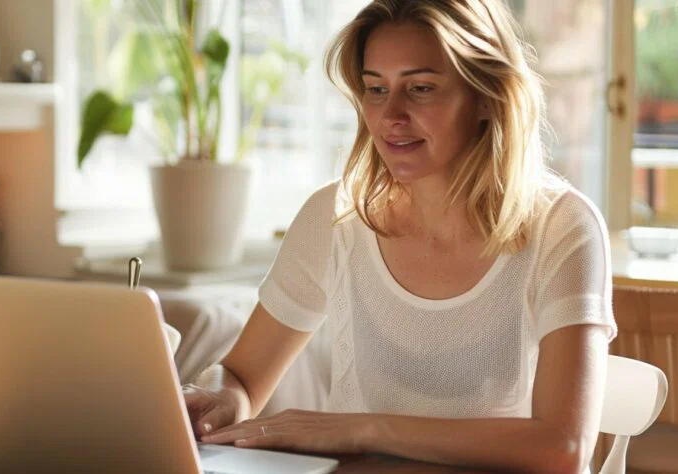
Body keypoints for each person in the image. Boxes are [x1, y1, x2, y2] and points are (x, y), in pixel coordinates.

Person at [184, 0, 617, 471]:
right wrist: (219, 398)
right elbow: (242, 377)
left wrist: (364, 428)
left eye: (421, 88)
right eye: (375, 88)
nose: (391, 115)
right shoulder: (336, 217)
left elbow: (563, 449)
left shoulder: (563, 227)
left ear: (488, 96)